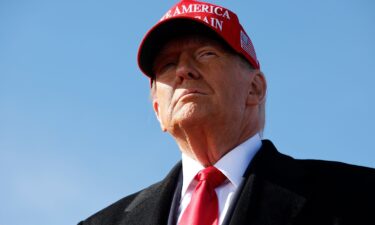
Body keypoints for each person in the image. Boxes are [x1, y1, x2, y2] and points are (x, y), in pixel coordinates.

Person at [78, 0, 375, 224]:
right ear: (158, 109)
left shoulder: (357, 195)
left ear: (255, 88)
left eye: (206, 54)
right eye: (167, 65)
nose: (182, 70)